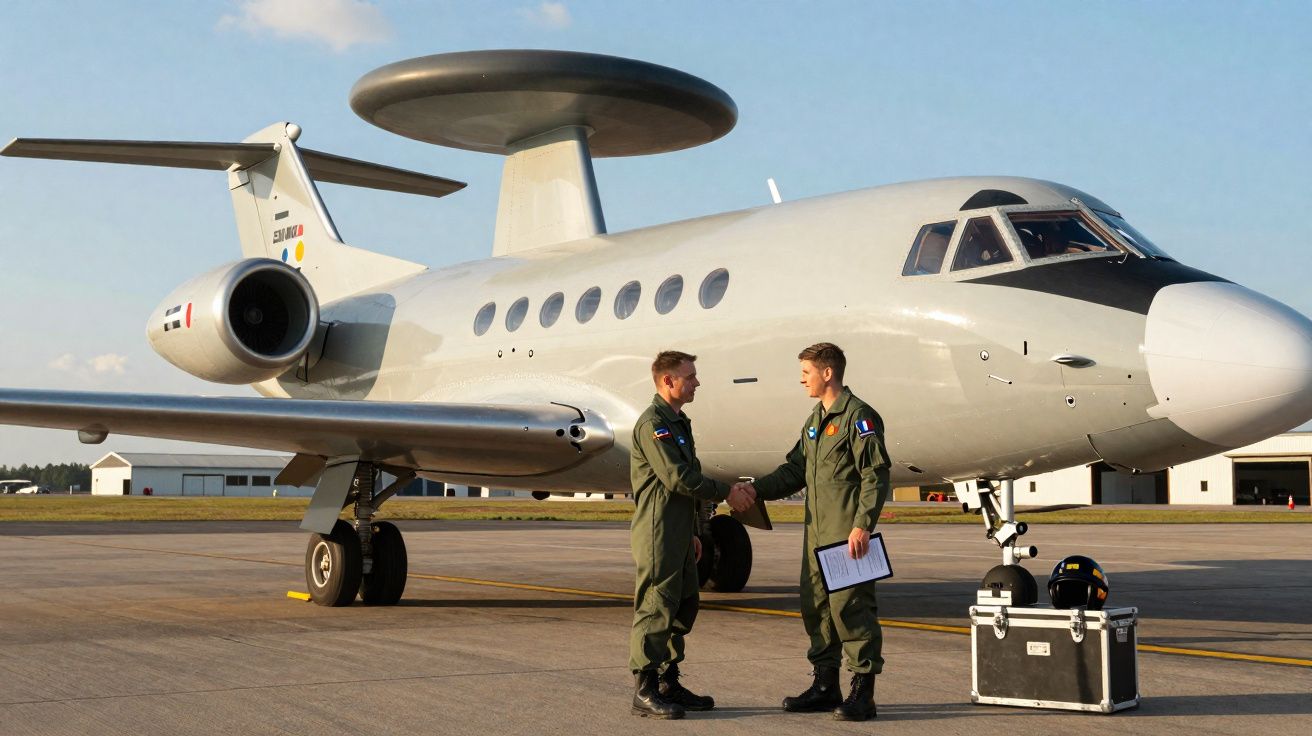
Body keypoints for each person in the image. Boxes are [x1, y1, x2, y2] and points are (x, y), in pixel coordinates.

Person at [735, 342, 890, 722]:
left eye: (806, 372)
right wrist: (756, 490)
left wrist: (862, 525)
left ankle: (863, 694)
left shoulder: (859, 417)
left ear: (827, 373)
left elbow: (875, 474)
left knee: (852, 610)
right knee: (817, 609)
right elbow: (794, 470)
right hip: (815, 537)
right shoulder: (814, 421)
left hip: (849, 535)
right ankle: (825, 686)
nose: (801, 379)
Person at [628, 350, 755, 719]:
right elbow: (678, 477)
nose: (697, 382)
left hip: (681, 531)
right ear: (668, 381)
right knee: (656, 606)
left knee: (683, 605)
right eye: (691, 376)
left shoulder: (679, 423)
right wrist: (727, 491)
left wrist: (698, 529)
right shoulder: (654, 424)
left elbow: (689, 478)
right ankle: (645, 688)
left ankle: (669, 681)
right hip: (659, 530)